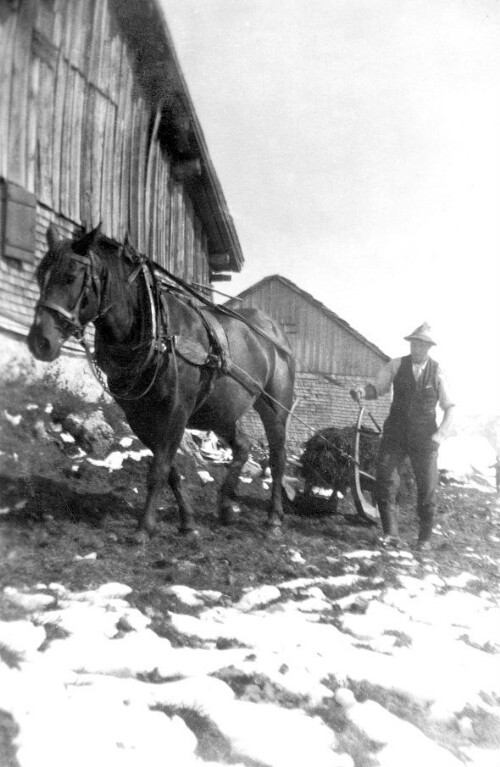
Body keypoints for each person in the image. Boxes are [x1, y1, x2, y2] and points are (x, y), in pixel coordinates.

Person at [350, 323, 455, 552]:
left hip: (425, 439)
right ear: (411, 344)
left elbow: (450, 408)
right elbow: (377, 388)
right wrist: (362, 391)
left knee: (426, 488)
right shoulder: (396, 365)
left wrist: (440, 435)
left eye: (422, 344)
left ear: (429, 347)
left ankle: (424, 539)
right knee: (385, 480)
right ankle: (390, 534)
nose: (417, 347)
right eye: (414, 343)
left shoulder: (438, 371)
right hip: (395, 434)